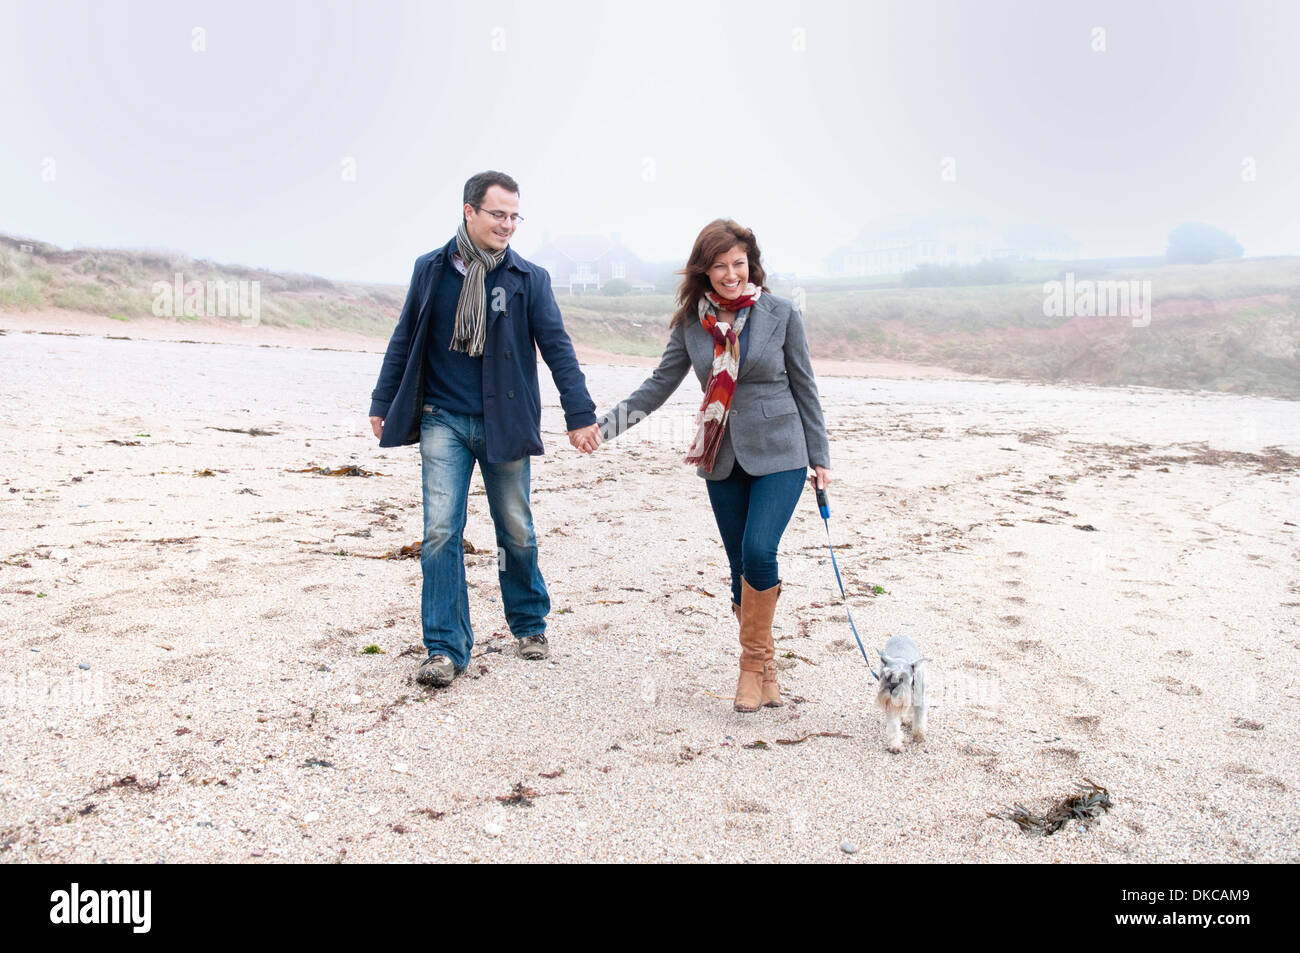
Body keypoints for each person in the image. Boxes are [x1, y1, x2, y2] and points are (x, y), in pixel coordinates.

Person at [367, 170, 601, 688]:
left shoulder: (527, 278)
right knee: (439, 532)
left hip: (506, 420)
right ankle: (445, 648)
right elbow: (405, 336)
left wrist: (579, 413)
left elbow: (557, 347)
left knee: (515, 528)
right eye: (498, 214)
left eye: (515, 216)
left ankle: (529, 622)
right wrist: (383, 399)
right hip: (442, 419)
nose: (508, 225)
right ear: (469, 211)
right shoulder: (429, 270)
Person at [593, 219, 831, 712]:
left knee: (760, 549)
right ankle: (765, 665)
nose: (731, 274)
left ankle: (749, 668)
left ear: (752, 264)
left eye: (738, 264)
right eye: (719, 266)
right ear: (705, 271)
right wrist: (605, 427)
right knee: (738, 565)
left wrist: (819, 456)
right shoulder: (690, 325)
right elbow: (658, 386)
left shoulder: (781, 313)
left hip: (781, 449)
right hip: (720, 451)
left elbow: (805, 386)